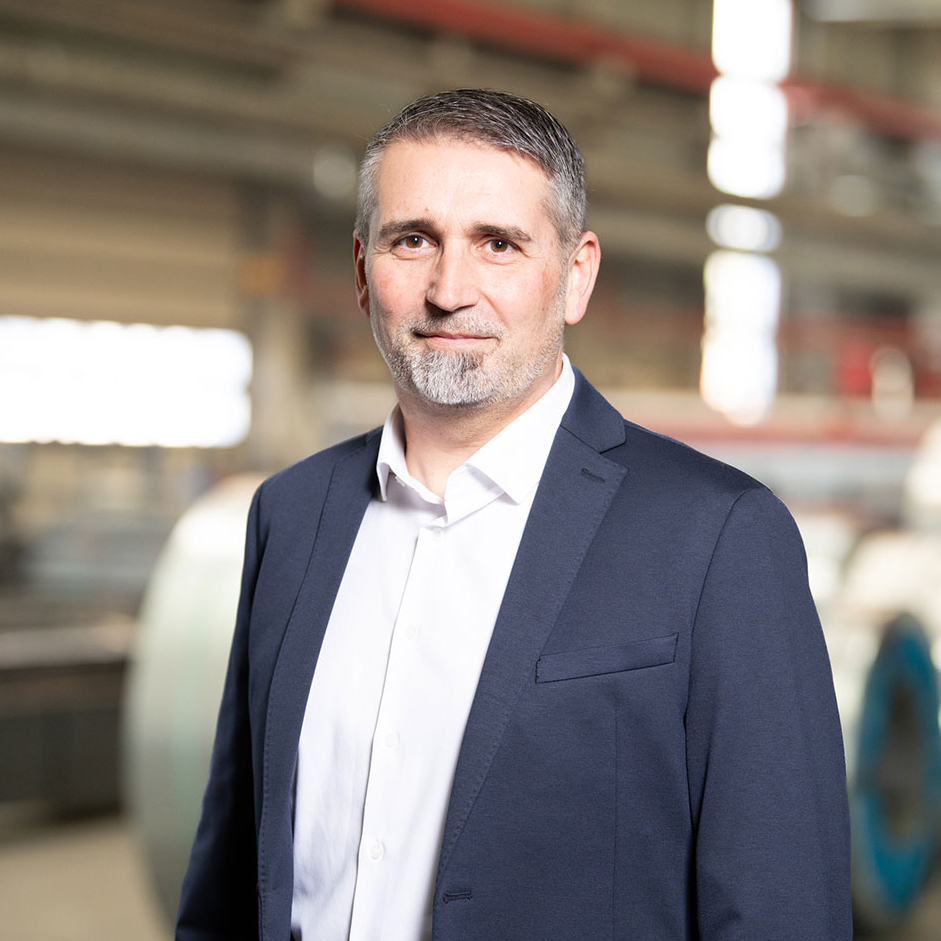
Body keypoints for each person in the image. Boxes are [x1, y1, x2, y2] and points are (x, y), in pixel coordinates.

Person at [176, 88, 852, 941]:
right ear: (360, 269)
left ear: (575, 275)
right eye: (412, 240)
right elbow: (229, 880)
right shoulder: (291, 515)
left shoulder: (716, 535)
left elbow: (782, 907)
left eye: (497, 243)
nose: (449, 290)